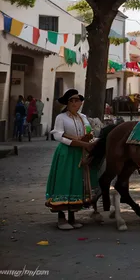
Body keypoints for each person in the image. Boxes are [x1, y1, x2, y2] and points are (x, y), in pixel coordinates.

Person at [46, 89, 99, 230]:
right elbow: (57, 135)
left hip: (80, 154)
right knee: (64, 181)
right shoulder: (61, 118)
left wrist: (89, 138)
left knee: (76, 182)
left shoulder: (83, 117)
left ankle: (72, 216)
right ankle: (61, 218)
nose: (76, 103)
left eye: (78, 100)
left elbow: (88, 132)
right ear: (67, 103)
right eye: (72, 101)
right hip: (66, 152)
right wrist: (78, 143)